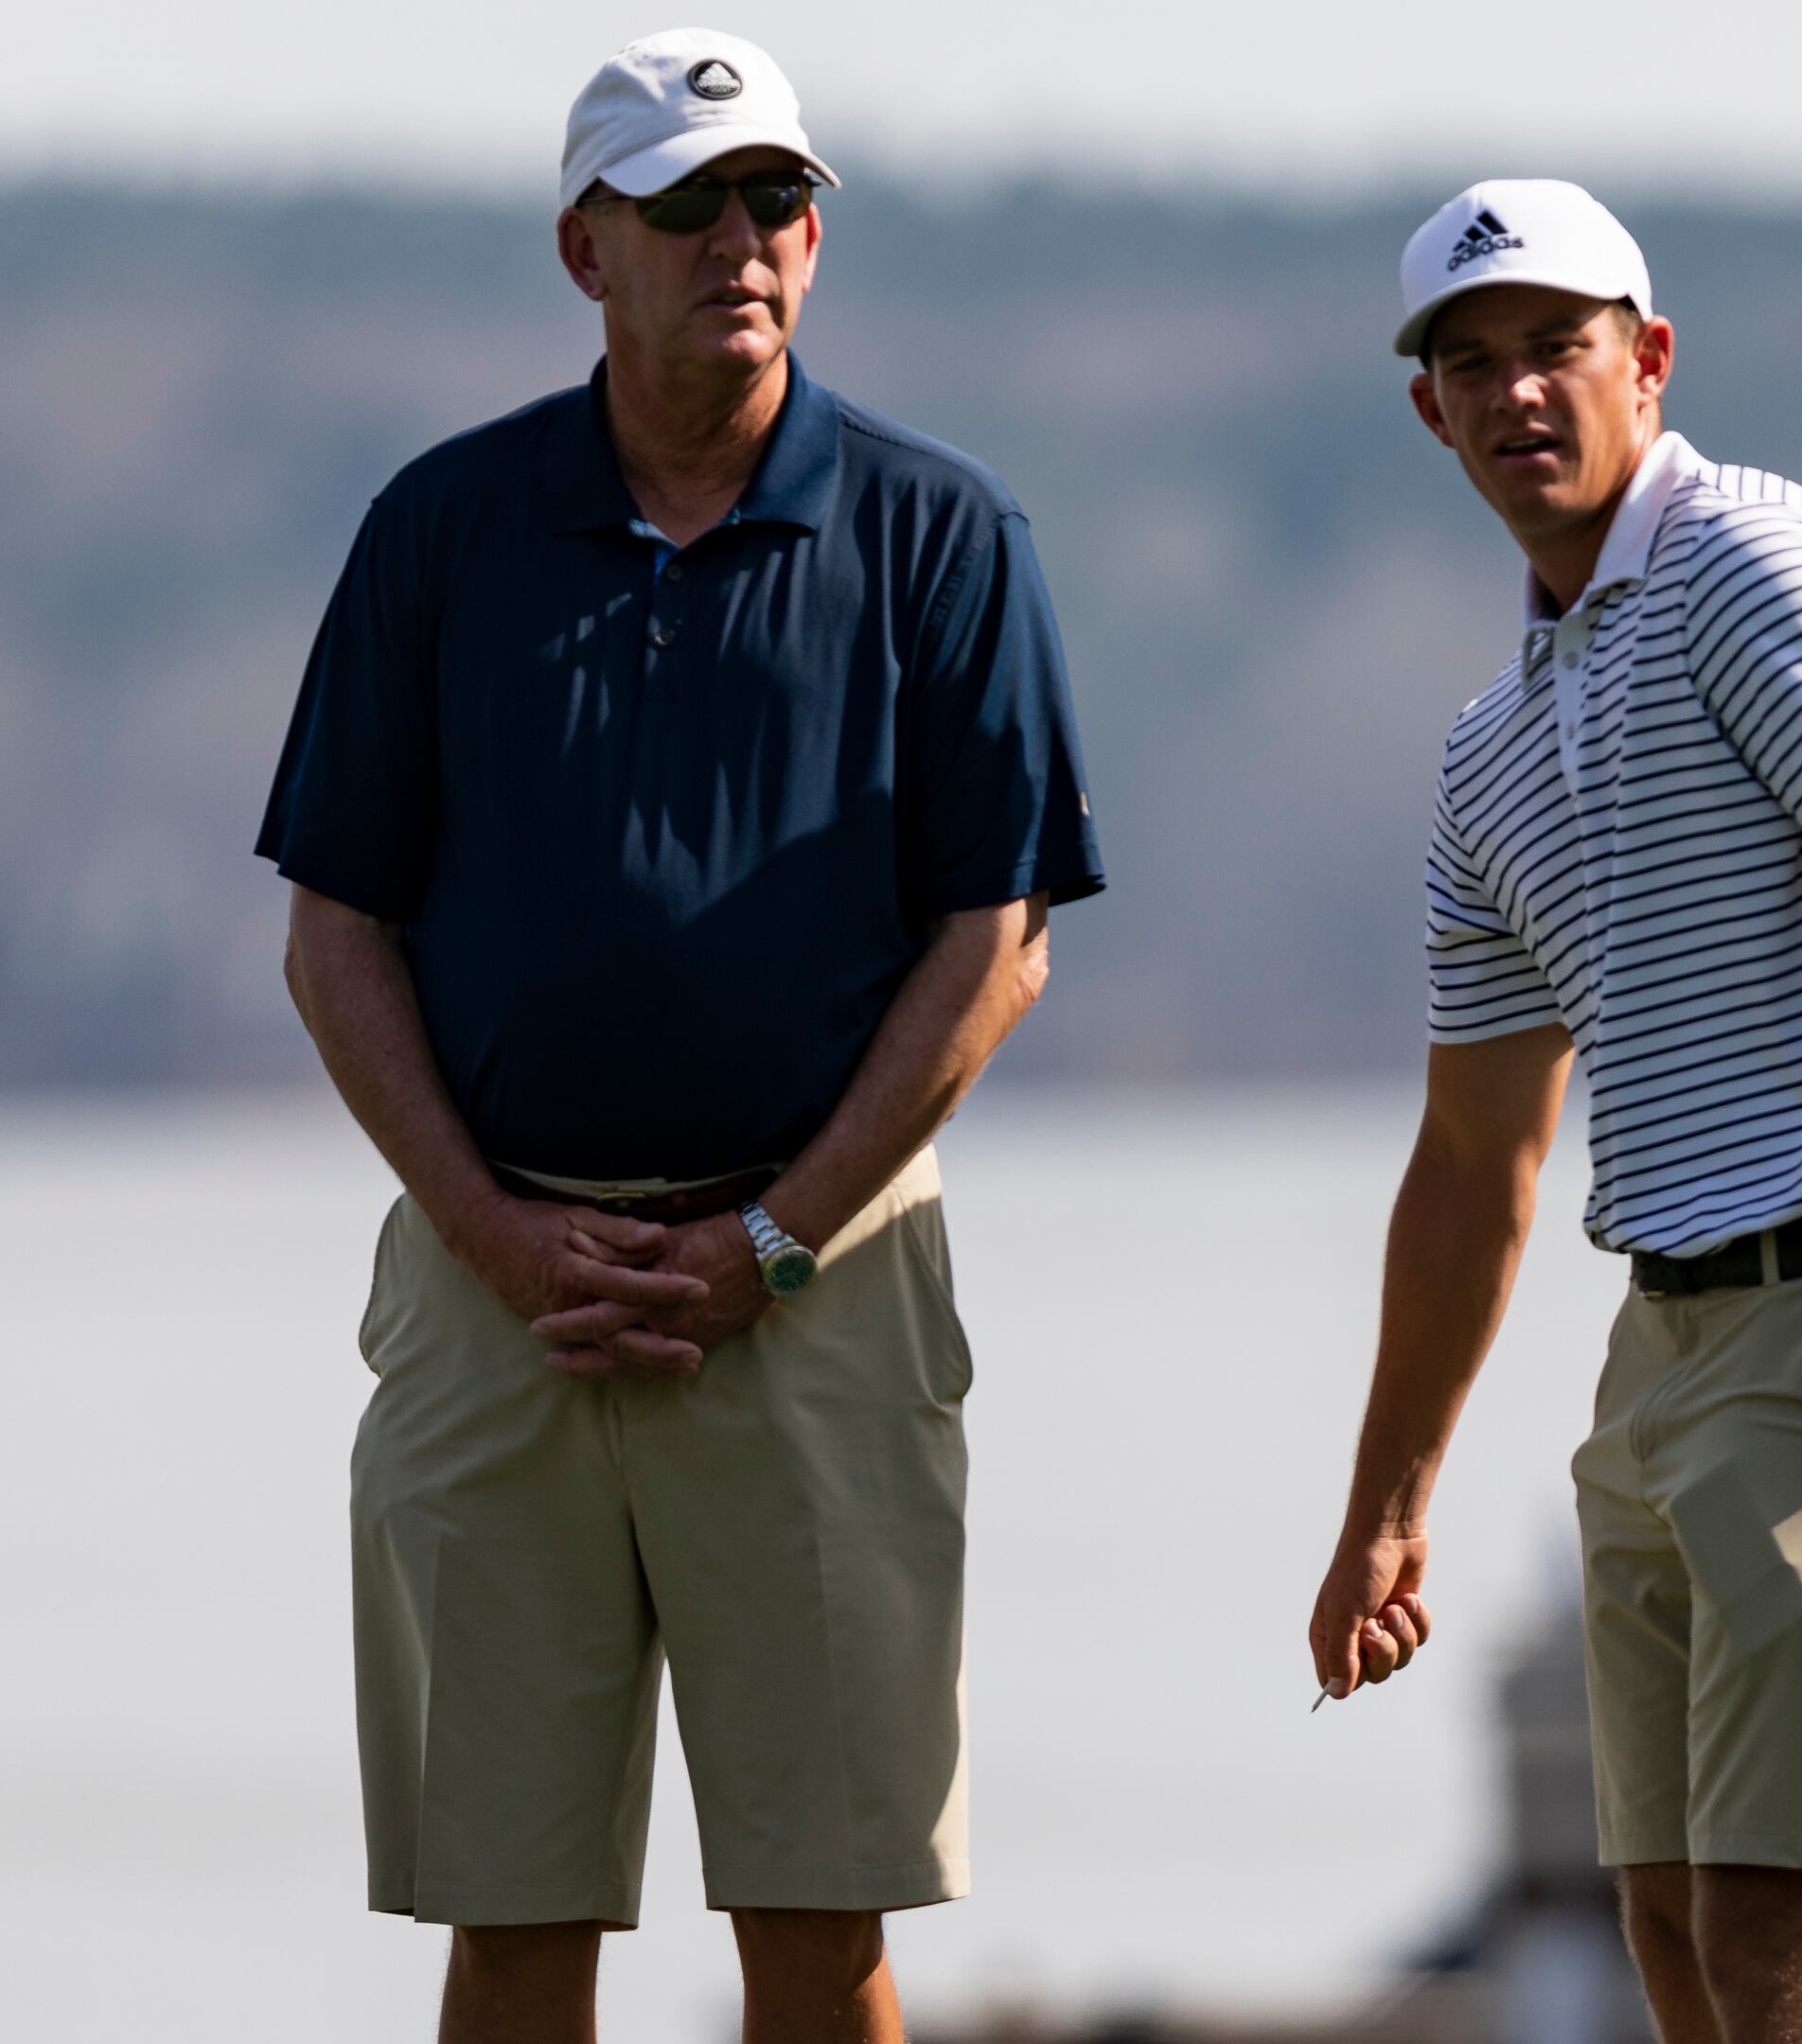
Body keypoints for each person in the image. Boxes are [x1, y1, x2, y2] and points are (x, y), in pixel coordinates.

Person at [256, 29, 1104, 2042]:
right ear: (585, 248)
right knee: (511, 1916)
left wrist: (776, 1241)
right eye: (688, 206)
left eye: (778, 203)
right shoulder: (441, 531)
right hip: (500, 1299)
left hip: (822, 1299)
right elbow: (334, 932)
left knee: (824, 1920)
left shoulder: (943, 534)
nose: (744, 241)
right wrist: (485, 1229)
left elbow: (996, 942)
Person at [1307, 180, 1802, 2044]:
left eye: (1556, 349)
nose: (1516, 397)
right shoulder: (1492, 744)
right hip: (1663, 1357)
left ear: (1645, 360)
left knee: (1787, 1944)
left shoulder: (1748, 563)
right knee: (1672, 1935)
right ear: (1430, 413)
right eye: (1469, 366)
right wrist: (1387, 1502)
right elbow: (1477, 1159)